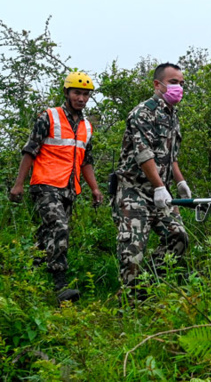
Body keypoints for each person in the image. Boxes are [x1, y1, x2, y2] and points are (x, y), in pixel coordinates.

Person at [9, 71, 104, 303]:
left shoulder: (86, 127)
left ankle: (26, 273)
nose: (81, 98)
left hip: (69, 189)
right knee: (60, 228)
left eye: (85, 94)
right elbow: (30, 150)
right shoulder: (48, 117)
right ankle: (60, 285)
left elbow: (86, 161)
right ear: (66, 93)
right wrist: (18, 184)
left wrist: (95, 189)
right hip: (45, 185)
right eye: (77, 93)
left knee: (46, 235)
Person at [113, 63, 190, 292]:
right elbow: (144, 153)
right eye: (174, 82)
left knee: (178, 237)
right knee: (132, 248)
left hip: (161, 193)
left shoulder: (172, 115)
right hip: (134, 191)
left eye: (182, 83)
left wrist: (180, 183)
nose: (179, 87)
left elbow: (170, 156)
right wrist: (159, 187)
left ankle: (151, 287)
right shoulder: (142, 113)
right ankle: (130, 301)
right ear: (158, 85)